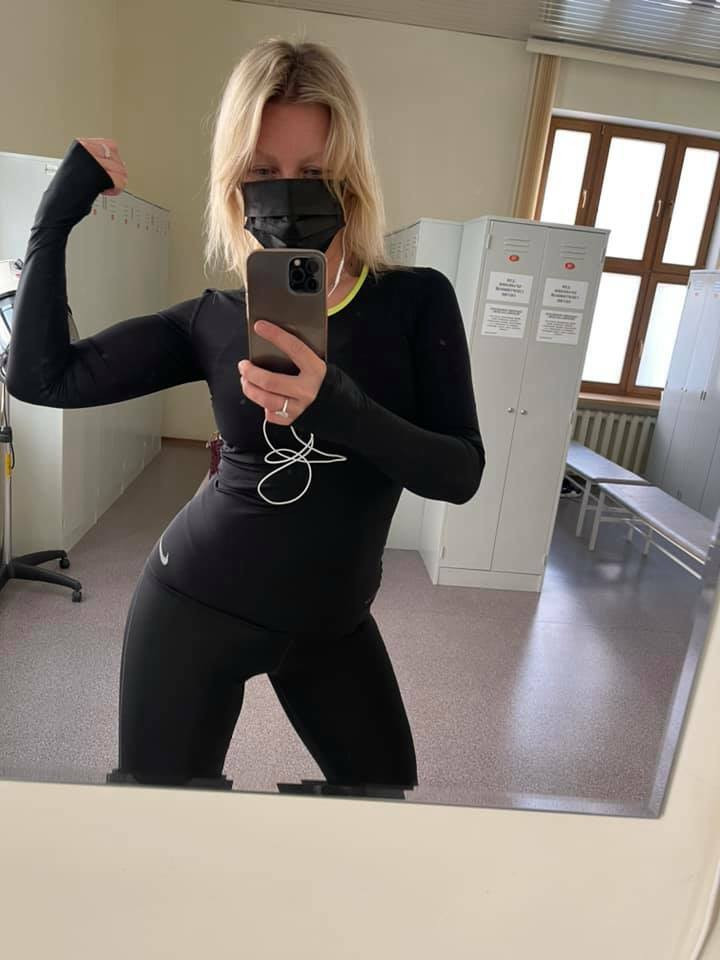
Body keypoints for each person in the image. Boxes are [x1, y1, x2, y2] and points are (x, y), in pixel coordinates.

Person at [6, 38, 485, 791]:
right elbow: (42, 378)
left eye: (315, 173)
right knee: (164, 817)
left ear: (351, 177)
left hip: (333, 623)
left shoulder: (416, 302)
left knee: (380, 803)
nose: (288, 193)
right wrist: (54, 219)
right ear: (235, 181)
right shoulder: (212, 320)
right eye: (263, 172)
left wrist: (340, 406)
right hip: (195, 603)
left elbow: (459, 473)